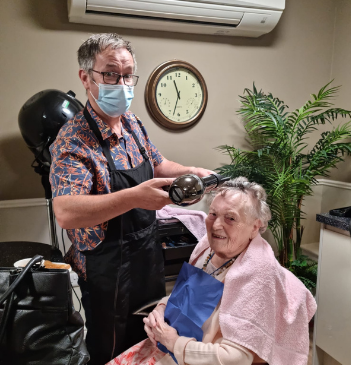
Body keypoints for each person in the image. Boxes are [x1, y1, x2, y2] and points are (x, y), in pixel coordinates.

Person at [49, 33, 213, 365]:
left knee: (148, 337)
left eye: (127, 75)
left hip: (145, 260)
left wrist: (191, 171)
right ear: (86, 77)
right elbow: (66, 212)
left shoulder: (133, 124)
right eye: (110, 74)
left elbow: (157, 163)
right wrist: (134, 197)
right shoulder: (73, 139)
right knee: (107, 350)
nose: (121, 83)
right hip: (102, 272)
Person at [107, 177, 317, 365]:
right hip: (176, 343)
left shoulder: (257, 275)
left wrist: (174, 343)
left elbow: (237, 358)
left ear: (255, 226)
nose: (216, 225)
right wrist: (162, 309)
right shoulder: (206, 248)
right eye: (213, 214)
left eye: (230, 218)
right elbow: (189, 294)